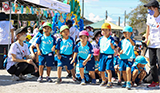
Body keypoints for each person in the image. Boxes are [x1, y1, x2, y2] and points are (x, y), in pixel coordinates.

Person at [144, 0, 160, 88]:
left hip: (159, 44)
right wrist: (146, 38)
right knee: (152, 64)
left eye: (150, 8)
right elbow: (148, 28)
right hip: (151, 44)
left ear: (156, 8)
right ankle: (155, 81)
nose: (149, 10)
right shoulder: (149, 17)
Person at [98, 23, 116, 88]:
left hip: (109, 55)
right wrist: (98, 56)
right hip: (102, 55)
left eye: (106, 30)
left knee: (108, 69)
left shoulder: (111, 39)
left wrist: (112, 46)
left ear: (109, 31)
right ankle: (103, 80)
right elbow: (100, 48)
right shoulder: (101, 39)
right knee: (101, 69)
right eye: (103, 30)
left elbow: (114, 47)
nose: (104, 31)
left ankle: (109, 82)